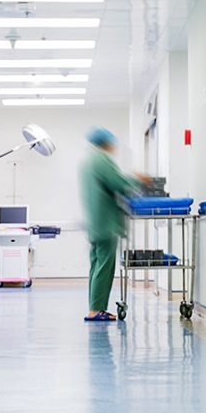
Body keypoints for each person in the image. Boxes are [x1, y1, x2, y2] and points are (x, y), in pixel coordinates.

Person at [79, 128, 145, 322]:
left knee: (96, 265)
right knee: (105, 266)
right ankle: (97, 309)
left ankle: (94, 307)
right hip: (105, 222)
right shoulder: (101, 160)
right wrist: (138, 180)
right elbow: (118, 182)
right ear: (106, 143)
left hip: (94, 222)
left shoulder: (87, 162)